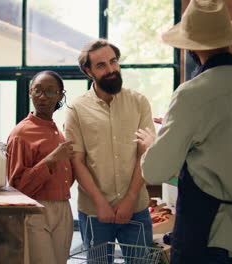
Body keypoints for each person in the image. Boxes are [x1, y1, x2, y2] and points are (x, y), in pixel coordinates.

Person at [135, 0, 232, 263]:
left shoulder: (193, 93)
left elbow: (155, 171)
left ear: (191, 46)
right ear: (230, 40)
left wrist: (152, 145)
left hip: (204, 232)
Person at [64, 39, 155, 259]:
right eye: (101, 65)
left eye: (113, 61)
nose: (111, 69)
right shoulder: (76, 109)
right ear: (88, 71)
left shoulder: (139, 102)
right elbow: (77, 161)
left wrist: (130, 198)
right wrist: (100, 203)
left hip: (136, 208)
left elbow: (144, 153)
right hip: (94, 211)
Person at [7, 70, 74, 264]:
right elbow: (17, 187)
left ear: (60, 95)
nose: (43, 97)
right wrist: (50, 160)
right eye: (38, 91)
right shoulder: (20, 133)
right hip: (36, 211)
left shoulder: (58, 131)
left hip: (63, 208)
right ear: (30, 92)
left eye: (50, 91)